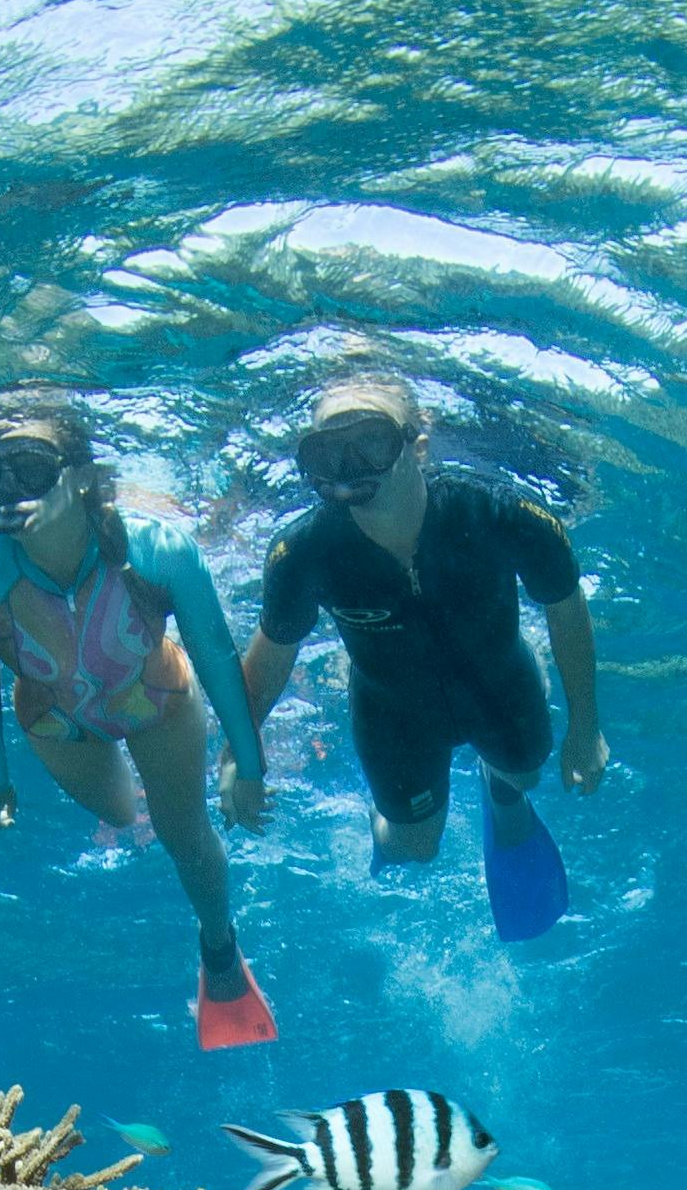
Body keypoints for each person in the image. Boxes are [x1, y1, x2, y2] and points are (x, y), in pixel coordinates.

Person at [0, 396, 276, 1048]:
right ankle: (133, 810)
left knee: (186, 838)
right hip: (55, 724)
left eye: (29, 468)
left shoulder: (159, 551)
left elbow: (213, 653)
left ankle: (219, 949)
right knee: (122, 815)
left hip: (156, 703)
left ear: (82, 478)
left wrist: (249, 764)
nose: (8, 491)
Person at [236, 369, 603, 944]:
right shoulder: (303, 553)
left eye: (373, 443)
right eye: (330, 454)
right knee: (416, 848)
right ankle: (396, 828)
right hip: (394, 712)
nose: (352, 468)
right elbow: (272, 657)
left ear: (417, 448)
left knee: (526, 770)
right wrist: (240, 754)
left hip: (498, 681)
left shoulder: (496, 513)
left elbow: (565, 608)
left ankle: (501, 786)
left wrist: (586, 728)